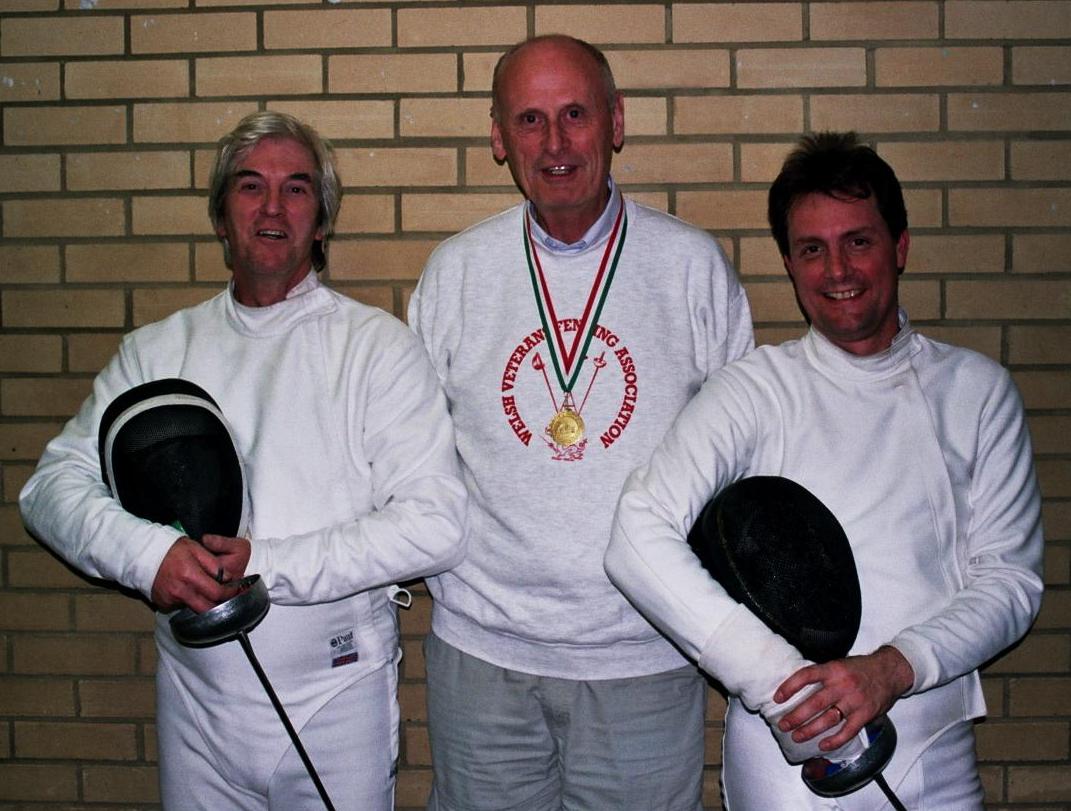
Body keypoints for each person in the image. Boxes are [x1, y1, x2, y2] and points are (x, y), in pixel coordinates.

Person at [19, 111, 467, 811]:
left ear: (321, 222)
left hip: (336, 703)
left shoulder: (375, 348)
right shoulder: (157, 350)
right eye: (250, 186)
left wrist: (265, 562)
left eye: (295, 189)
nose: (271, 207)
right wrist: (149, 555)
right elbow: (49, 487)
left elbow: (434, 524)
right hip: (197, 709)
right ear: (221, 216)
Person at [605, 131, 1044, 809]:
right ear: (789, 262)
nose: (836, 269)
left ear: (898, 247)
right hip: (788, 762)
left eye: (857, 241)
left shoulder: (976, 392)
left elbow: (1010, 580)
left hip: (932, 754)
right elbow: (636, 535)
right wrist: (782, 681)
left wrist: (890, 670)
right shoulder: (752, 390)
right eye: (811, 248)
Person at [408, 34, 754, 811]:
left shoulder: (691, 267)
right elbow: (413, 460)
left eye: (575, 114)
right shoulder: (455, 272)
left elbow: (741, 466)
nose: (555, 142)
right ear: (498, 138)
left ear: (616, 122)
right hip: (483, 656)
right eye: (529, 120)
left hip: (644, 654)